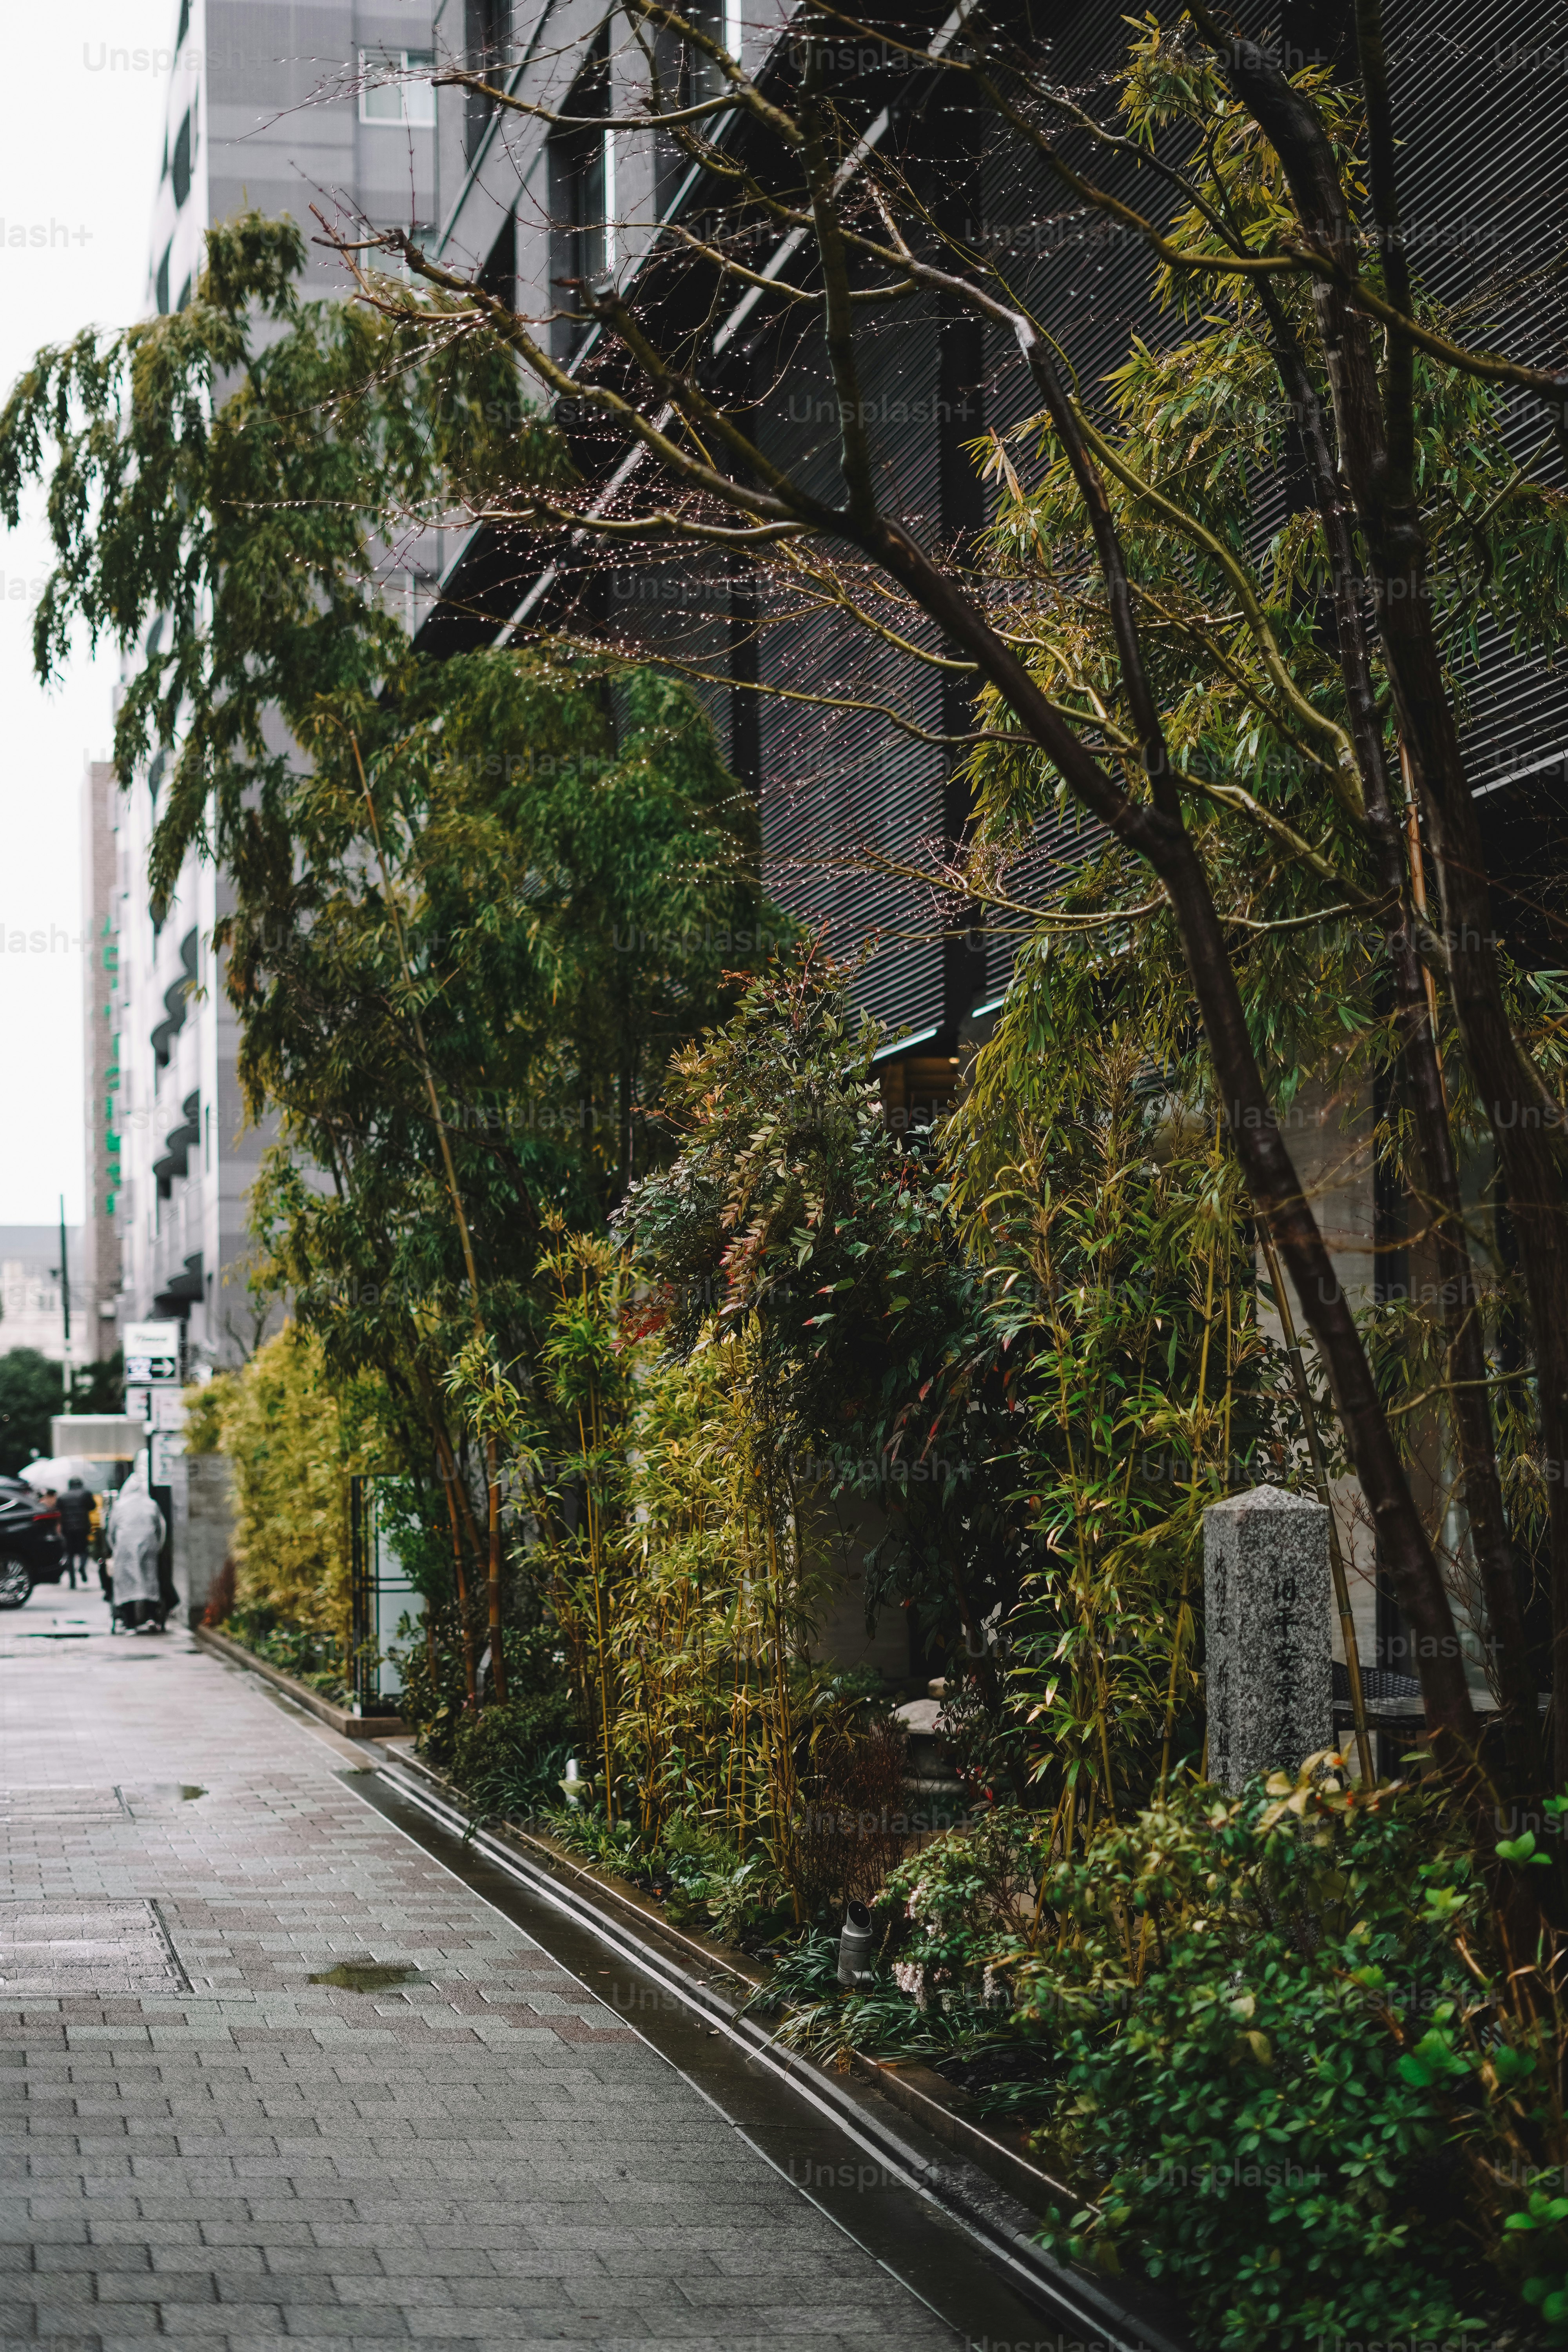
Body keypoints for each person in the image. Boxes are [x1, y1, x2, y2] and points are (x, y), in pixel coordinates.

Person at [105, 1474, 167, 1633]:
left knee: (126, 1585)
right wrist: (158, 1547)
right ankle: (151, 1617)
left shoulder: (119, 1505)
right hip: (149, 1545)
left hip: (124, 1548)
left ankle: (129, 1622)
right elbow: (161, 1527)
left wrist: (115, 1549)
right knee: (150, 1582)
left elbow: (111, 1530)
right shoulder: (151, 1504)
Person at [56, 1477, 93, 1592]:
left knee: (70, 1554)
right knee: (84, 1551)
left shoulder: (63, 1496)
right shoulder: (86, 1494)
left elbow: (58, 1509)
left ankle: (72, 1582)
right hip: (83, 1528)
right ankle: (82, 1567)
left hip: (68, 1529)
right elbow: (93, 1506)